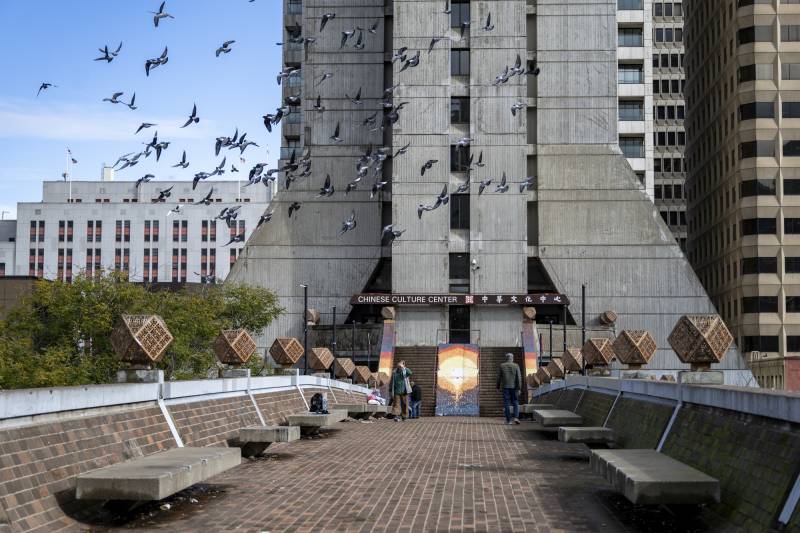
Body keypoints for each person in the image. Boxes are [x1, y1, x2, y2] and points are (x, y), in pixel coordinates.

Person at [496, 353, 522, 425]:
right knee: (515, 402)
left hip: (505, 387)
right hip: (514, 387)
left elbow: (499, 377)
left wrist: (497, 387)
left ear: (506, 358)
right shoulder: (516, 366)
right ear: (512, 358)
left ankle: (509, 420)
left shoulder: (502, 366)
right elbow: (519, 378)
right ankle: (516, 417)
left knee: (506, 403)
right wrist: (519, 388)